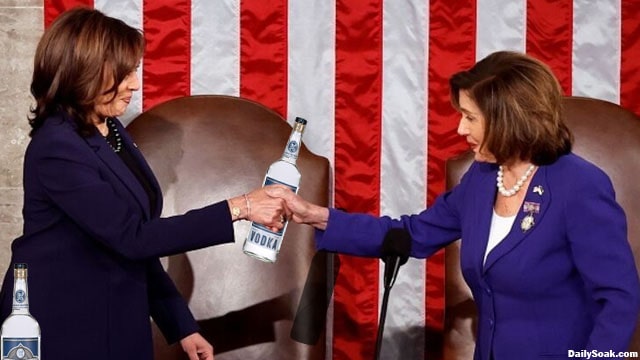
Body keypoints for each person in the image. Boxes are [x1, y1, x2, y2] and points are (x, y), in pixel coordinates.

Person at [269, 51, 640, 359]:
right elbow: (412, 234)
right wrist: (315, 215)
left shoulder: (579, 186)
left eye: (471, 117)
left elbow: (619, 300)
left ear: (509, 120)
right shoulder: (481, 180)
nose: (461, 129)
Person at [0, 7, 290, 360]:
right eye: (124, 74)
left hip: (115, 320)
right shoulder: (57, 147)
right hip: (65, 326)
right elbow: (133, 238)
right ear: (85, 71)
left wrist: (181, 326)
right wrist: (241, 207)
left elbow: (138, 243)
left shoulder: (111, 132)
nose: (135, 84)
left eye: (133, 71)